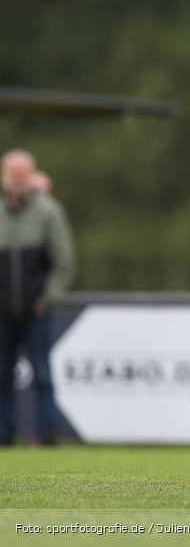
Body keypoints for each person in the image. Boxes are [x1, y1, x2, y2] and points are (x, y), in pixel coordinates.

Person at [0, 149, 76, 446]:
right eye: (12, 173)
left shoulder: (48, 212)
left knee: (42, 374)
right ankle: (5, 433)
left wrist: (46, 300)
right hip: (3, 311)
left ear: (31, 175)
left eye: (22, 173)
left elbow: (64, 262)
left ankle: (48, 432)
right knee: (2, 376)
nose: (17, 179)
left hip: (37, 310)